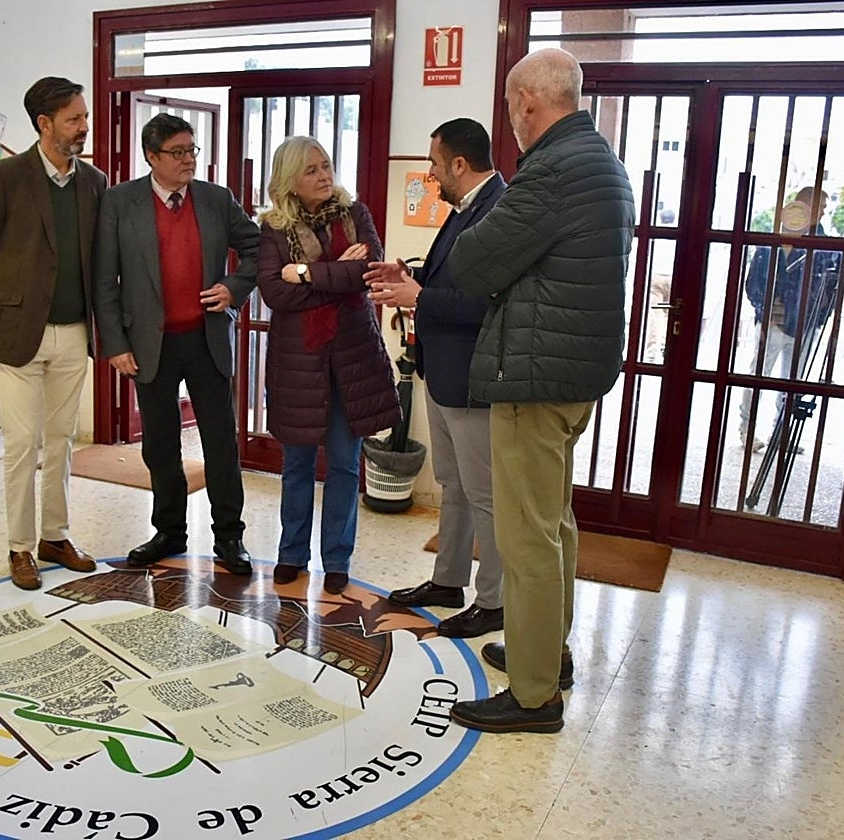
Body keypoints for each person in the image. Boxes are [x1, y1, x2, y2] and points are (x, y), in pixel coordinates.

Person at [445, 48, 634, 733]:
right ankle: (546, 653)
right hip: (575, 372)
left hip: (534, 373)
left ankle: (532, 695)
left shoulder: (550, 171)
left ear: (527, 101)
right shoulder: (602, 161)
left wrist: (502, 270)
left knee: (526, 539)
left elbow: (472, 262)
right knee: (554, 523)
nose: (510, 119)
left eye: (509, 105)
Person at [93, 113, 260, 575]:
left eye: (192, 150)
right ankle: (169, 531)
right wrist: (115, 344)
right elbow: (104, 279)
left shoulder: (216, 199)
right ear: (152, 156)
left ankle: (230, 536)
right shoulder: (120, 202)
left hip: (206, 338)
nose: (188, 160)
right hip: (151, 344)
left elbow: (258, 248)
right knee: (161, 443)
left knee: (220, 442)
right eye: (178, 152)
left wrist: (234, 288)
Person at [0, 78, 107, 590]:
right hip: (17, 335)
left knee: (63, 440)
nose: (84, 127)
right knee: (22, 443)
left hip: (74, 333)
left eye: (84, 117)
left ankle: (55, 536)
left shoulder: (94, 183)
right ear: (45, 124)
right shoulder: (4, 177)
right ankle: (19, 547)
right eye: (74, 119)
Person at [368, 118, 508, 636]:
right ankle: (448, 580)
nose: (430, 174)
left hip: (473, 378)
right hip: (445, 370)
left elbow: (490, 304)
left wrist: (421, 297)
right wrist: (410, 278)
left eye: (433, 163)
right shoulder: (465, 209)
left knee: (484, 494)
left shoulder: (499, 211)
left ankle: (494, 601)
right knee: (454, 486)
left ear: (459, 164)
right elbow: (452, 277)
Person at [256, 136, 400, 595]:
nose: (324, 176)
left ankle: (337, 558)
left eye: (326, 165)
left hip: (352, 360)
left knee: (344, 464)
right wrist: (338, 275)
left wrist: (304, 272)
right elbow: (274, 293)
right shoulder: (273, 228)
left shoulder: (355, 215)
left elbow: (367, 272)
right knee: (297, 464)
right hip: (298, 363)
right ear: (290, 181)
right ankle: (291, 553)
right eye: (311, 170)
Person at [739, 186, 840, 451]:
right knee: (758, 377)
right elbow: (753, 283)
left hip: (805, 323)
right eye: (821, 206)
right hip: (775, 322)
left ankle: (781, 434)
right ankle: (747, 429)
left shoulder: (824, 244)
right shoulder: (775, 241)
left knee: (791, 382)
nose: (823, 211)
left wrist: (819, 317)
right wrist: (765, 311)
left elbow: (833, 280)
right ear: (805, 205)